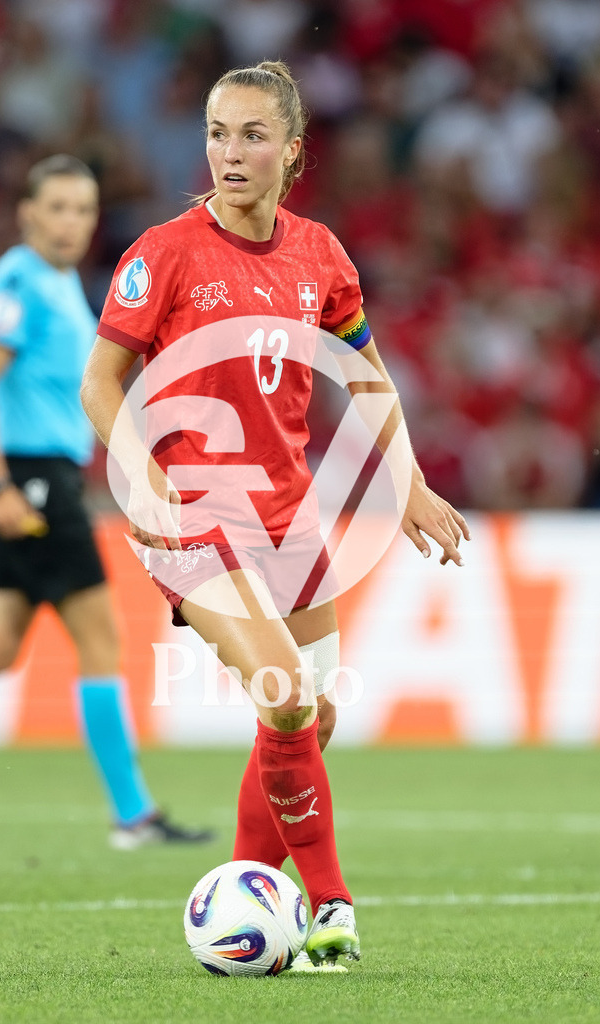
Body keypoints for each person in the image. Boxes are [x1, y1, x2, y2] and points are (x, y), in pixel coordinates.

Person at [80, 63, 470, 969]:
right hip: (191, 520)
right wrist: (139, 478)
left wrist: (404, 482)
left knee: (310, 721)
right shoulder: (163, 254)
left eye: (252, 135)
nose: (230, 152)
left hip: (290, 521)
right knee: (286, 698)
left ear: (292, 151)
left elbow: (366, 377)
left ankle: (241, 896)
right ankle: (331, 906)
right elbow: (101, 385)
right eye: (218, 133)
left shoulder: (320, 254)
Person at [0, 154, 212, 850]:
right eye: (56, 207)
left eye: (82, 209)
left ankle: (133, 813)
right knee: (99, 640)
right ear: (27, 213)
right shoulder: (19, 279)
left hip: (44, 476)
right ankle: (133, 814)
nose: (70, 222)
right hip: (33, 480)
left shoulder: (58, 285)